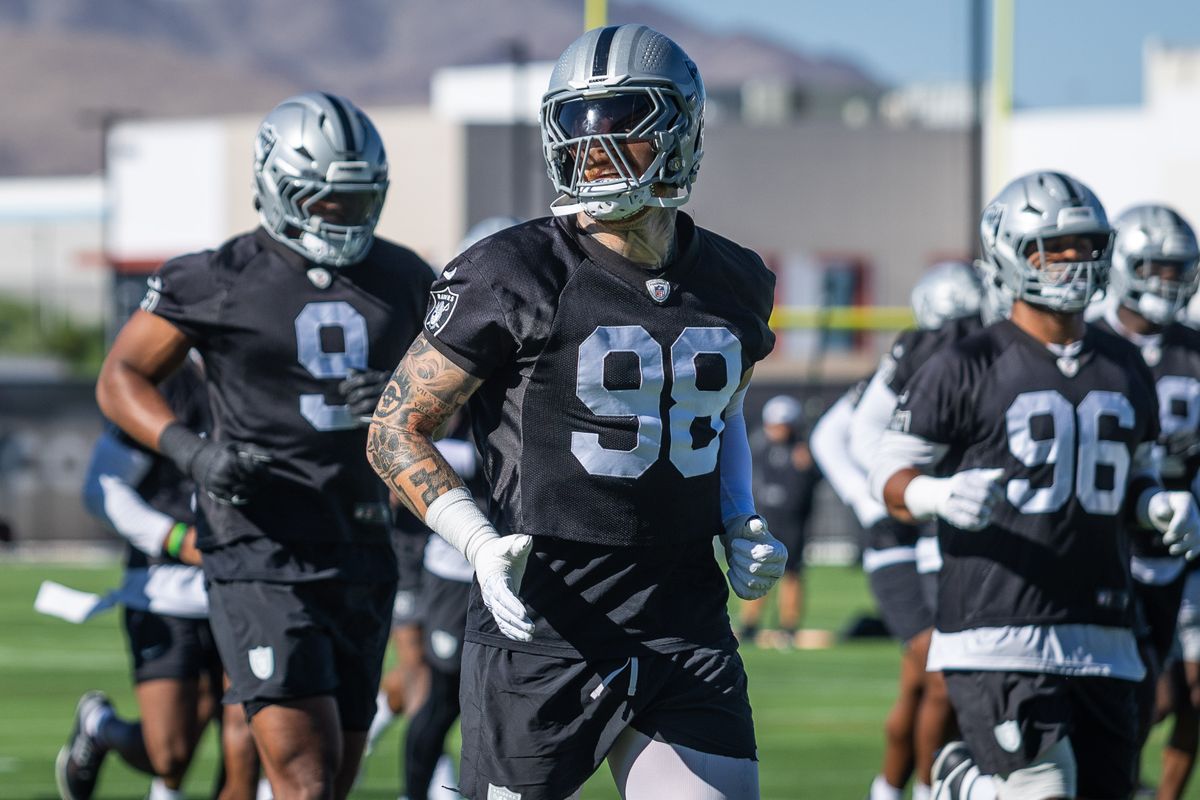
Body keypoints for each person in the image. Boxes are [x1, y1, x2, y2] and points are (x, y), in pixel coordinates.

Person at [367, 25, 785, 800]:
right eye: (579, 125)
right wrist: (476, 541)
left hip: (684, 614)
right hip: (548, 620)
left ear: (680, 131)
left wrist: (739, 517)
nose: (595, 148)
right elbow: (395, 427)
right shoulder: (511, 269)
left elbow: (720, 414)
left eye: (621, 124)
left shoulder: (736, 279)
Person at [94, 92, 435, 800]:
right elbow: (120, 376)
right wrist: (192, 452)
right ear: (277, 187)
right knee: (301, 781)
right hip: (260, 547)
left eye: (356, 198)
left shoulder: (405, 277)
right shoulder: (217, 277)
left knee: (331, 783)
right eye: (324, 200)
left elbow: (468, 398)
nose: (342, 217)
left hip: (363, 544)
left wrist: (406, 403)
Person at [870, 170, 1200, 800]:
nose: (1074, 262)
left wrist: (1159, 504)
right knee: (1041, 788)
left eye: (1085, 245)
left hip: (1104, 625)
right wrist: (936, 495)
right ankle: (967, 785)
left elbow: (1138, 472)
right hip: (999, 622)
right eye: (1055, 248)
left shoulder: (1123, 361)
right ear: (1009, 252)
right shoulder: (967, 360)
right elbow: (888, 472)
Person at [59, 357, 260, 800]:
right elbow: (101, 488)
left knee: (251, 740)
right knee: (168, 754)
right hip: (165, 590)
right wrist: (174, 540)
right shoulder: (166, 385)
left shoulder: (265, 376)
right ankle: (100, 726)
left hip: (247, 587)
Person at [846, 261, 986, 800]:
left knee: (926, 681)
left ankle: (891, 788)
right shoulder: (921, 354)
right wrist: (889, 497)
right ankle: (921, 790)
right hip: (918, 535)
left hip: (950, 532)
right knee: (937, 677)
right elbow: (850, 432)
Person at [1091, 204, 1200, 799]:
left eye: (1178, 267)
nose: (1168, 280)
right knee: (1144, 695)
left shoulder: (1195, 347)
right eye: (1155, 266)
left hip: (1185, 541)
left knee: (1189, 693)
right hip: (1109, 542)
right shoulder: (1091, 342)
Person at [737, 394, 819, 649]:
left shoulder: (803, 451)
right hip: (764, 518)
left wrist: (809, 465)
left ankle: (789, 626)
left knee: (792, 572)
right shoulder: (758, 446)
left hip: (792, 520)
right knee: (756, 568)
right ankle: (750, 624)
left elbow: (811, 484)